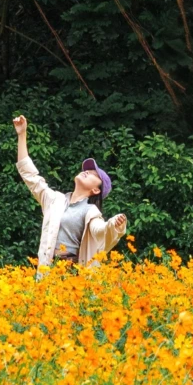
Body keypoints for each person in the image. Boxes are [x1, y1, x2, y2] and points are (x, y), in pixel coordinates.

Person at [13, 115, 127, 269]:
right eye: (87, 170)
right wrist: (22, 134)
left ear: (96, 190)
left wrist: (113, 224)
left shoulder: (91, 211)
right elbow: (30, 176)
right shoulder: (54, 200)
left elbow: (100, 231)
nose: (87, 172)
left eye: (94, 174)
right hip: (47, 268)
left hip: (70, 272)